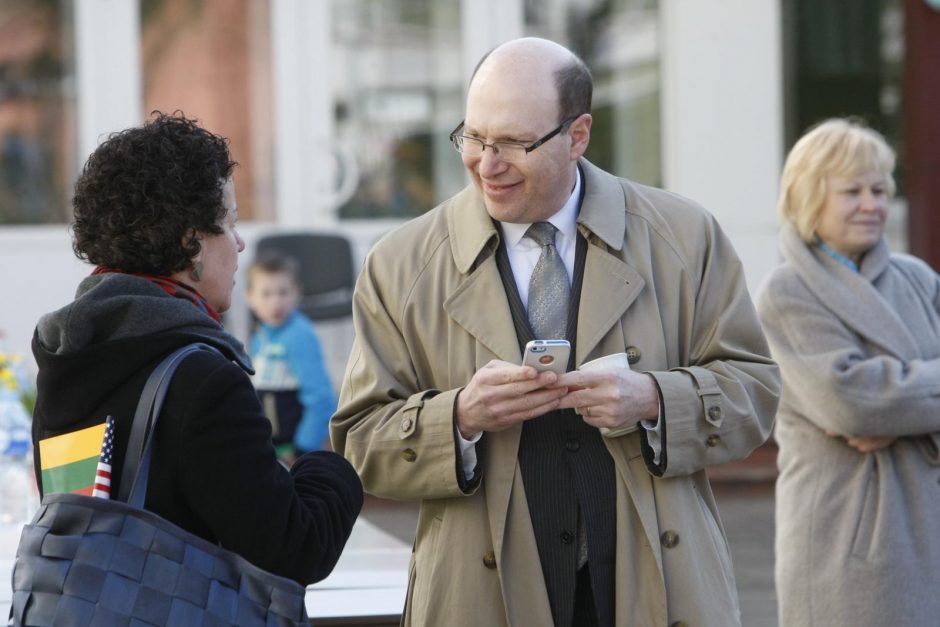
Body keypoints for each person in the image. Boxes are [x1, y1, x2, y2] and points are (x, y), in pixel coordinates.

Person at [331, 38, 780, 626]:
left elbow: (755, 390)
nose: (486, 164)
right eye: (474, 136)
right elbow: (359, 443)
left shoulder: (686, 237)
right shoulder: (399, 265)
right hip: (478, 598)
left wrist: (654, 400)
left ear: (578, 135)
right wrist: (460, 417)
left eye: (515, 142)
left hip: (659, 592)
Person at [31, 112, 362, 586]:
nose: (241, 243)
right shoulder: (202, 381)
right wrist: (336, 465)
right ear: (191, 244)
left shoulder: (69, 357)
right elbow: (294, 549)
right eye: (229, 223)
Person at [756, 118, 940, 626]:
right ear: (810, 196)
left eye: (879, 190)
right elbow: (853, 403)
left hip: (930, 524)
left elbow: (879, 401)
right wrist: (900, 405)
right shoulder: (787, 294)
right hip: (846, 538)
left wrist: (903, 409)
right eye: (852, 191)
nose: (871, 204)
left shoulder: (919, 280)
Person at [247, 251, 337, 460]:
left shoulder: (300, 335)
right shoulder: (260, 334)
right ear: (250, 297)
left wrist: (303, 447)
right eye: (266, 294)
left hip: (295, 448)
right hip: (273, 446)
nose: (276, 302)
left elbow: (321, 398)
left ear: (298, 292)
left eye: (283, 292)